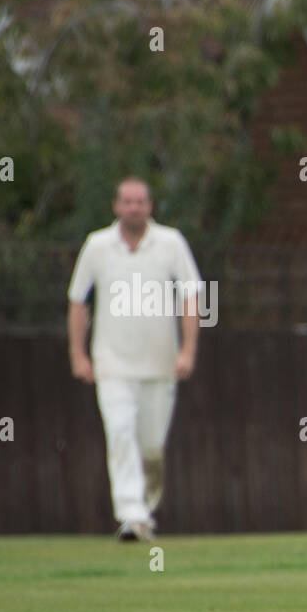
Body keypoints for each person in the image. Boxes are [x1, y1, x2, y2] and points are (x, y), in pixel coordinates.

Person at [67, 177, 202, 541]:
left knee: (152, 447)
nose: (134, 207)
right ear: (116, 206)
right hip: (112, 363)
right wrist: (78, 354)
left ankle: (145, 506)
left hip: (160, 364)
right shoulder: (97, 245)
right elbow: (78, 299)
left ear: (149, 206)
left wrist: (187, 350)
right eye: (127, 201)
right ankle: (132, 515)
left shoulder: (171, 243)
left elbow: (192, 296)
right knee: (120, 433)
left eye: (140, 201)